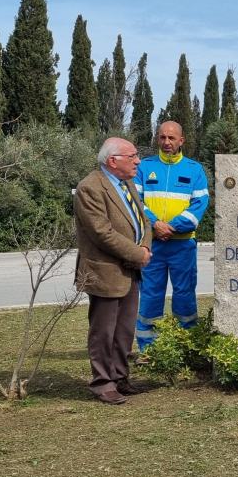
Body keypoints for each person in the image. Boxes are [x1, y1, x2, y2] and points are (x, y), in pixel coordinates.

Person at [74, 138, 152, 404]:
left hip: (129, 270)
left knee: (124, 329)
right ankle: (102, 383)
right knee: (103, 331)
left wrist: (144, 245)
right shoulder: (90, 188)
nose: (138, 161)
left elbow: (143, 220)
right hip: (105, 271)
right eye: (132, 156)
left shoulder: (126, 184)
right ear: (113, 160)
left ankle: (119, 377)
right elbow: (102, 233)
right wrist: (137, 253)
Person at [135, 121, 209, 351]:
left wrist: (173, 227)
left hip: (182, 245)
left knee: (185, 295)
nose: (166, 142)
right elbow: (136, 202)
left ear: (181, 141)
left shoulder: (194, 169)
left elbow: (200, 203)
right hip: (152, 245)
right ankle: (149, 349)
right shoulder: (144, 167)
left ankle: (187, 345)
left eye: (171, 138)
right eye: (162, 137)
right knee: (150, 295)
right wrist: (155, 225)